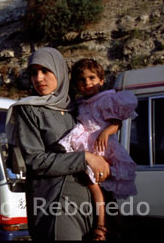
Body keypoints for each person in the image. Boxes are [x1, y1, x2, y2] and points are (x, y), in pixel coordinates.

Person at [5, 47, 111, 241]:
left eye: (45, 71)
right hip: (54, 200)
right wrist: (86, 158)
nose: (38, 78)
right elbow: (34, 160)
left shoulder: (77, 108)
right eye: (33, 72)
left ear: (60, 71)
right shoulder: (29, 110)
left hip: (89, 200)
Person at [58, 58, 138, 240]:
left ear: (101, 80)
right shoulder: (80, 103)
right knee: (93, 186)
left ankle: (102, 225)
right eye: (82, 80)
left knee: (98, 186)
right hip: (87, 146)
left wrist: (106, 133)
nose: (87, 83)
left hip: (102, 147)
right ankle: (100, 223)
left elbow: (116, 122)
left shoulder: (107, 99)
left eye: (92, 78)